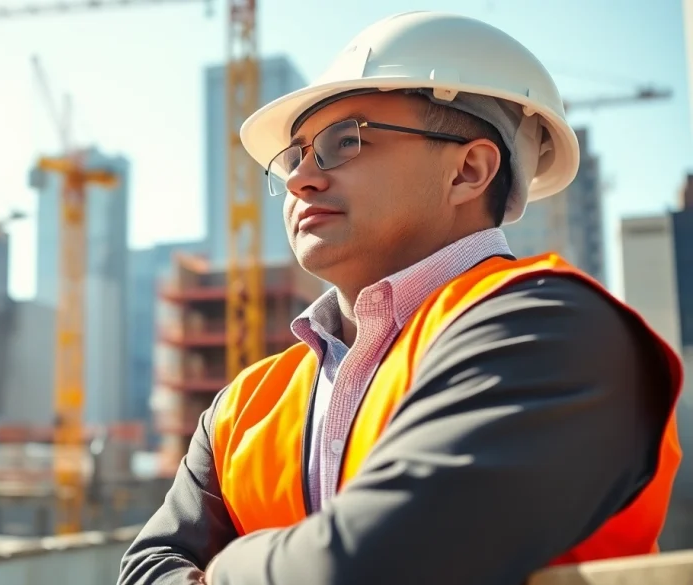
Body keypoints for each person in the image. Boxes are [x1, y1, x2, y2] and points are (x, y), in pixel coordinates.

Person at [117, 11, 684, 585]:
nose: (300, 179)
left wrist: (226, 568)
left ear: (469, 170)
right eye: (294, 157)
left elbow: (372, 567)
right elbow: (144, 569)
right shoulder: (246, 404)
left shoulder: (553, 336)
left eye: (345, 142)